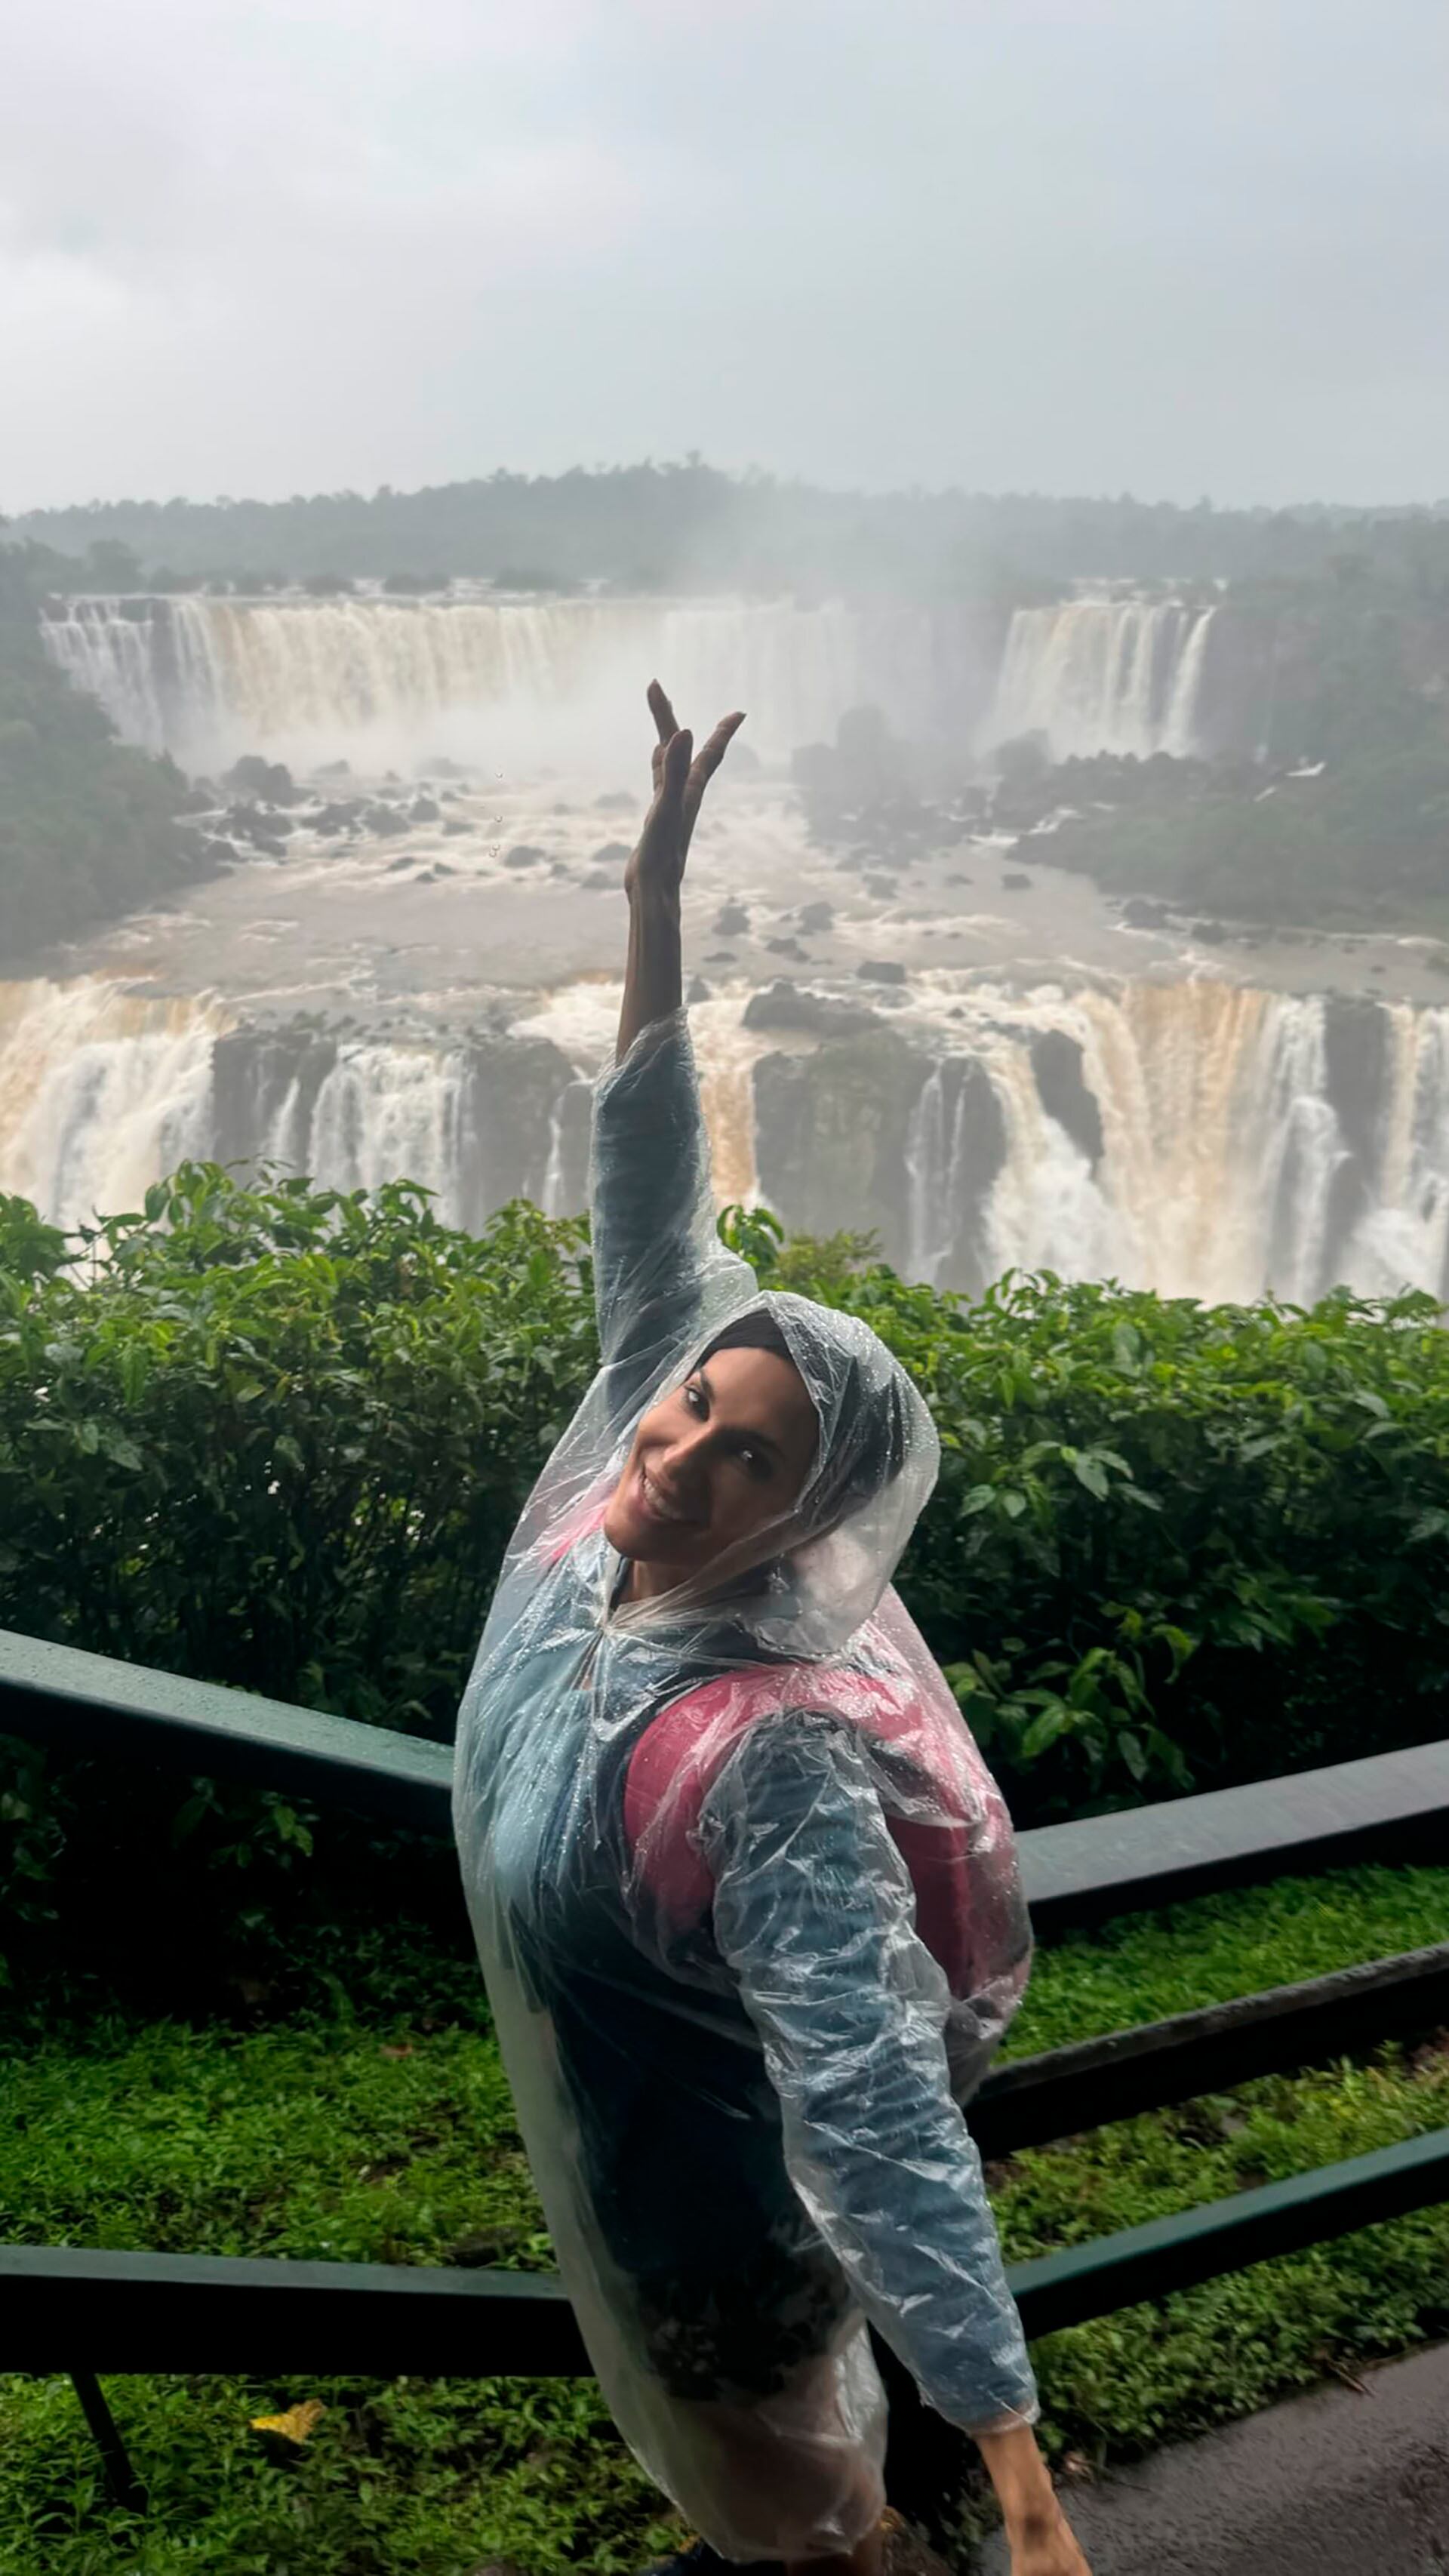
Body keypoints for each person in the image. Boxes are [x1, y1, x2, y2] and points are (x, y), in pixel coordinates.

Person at [452, 685, 1091, 2576]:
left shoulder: (776, 1752)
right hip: (616, 2152)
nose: (683, 1453)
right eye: (692, 1408)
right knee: (775, 2507)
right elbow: (649, 1191)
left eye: (748, 1462)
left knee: (802, 2527)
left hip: (709, 2240)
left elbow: (877, 2110)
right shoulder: (613, 1518)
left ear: (806, 1522)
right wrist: (654, 893)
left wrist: (1025, 2482)